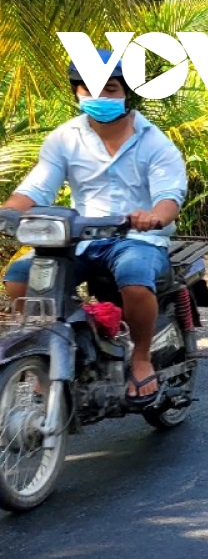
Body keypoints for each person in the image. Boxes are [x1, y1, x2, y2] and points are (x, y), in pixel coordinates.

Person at [3, 50, 187, 407]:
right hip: (82, 238)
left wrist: (156, 216)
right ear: (76, 92)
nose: (99, 97)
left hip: (137, 238)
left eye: (111, 88)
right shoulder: (64, 138)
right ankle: (61, 347)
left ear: (126, 93)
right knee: (21, 277)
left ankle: (141, 357)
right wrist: (9, 211)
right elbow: (37, 188)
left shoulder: (154, 142)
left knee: (135, 277)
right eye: (88, 89)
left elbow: (169, 195)